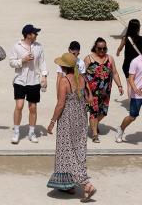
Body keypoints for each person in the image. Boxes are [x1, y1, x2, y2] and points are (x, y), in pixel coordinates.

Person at [47, 53, 96, 202]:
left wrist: (52, 122)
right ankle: (69, 185)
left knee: (67, 151)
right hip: (81, 117)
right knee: (78, 149)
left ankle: (86, 185)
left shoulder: (64, 80)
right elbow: (90, 99)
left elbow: (60, 104)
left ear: (63, 67)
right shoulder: (82, 78)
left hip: (67, 118)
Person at [9, 24, 48, 144]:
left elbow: (42, 62)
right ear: (28, 35)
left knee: (33, 107)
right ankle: (16, 132)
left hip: (34, 81)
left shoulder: (38, 47)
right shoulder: (17, 46)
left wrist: (44, 76)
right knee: (19, 106)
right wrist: (23, 61)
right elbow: (11, 62)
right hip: (19, 80)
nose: (36, 35)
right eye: (34, 33)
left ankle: (31, 132)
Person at [84, 37, 124, 143]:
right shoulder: (88, 59)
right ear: (95, 48)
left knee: (103, 112)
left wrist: (120, 86)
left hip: (106, 92)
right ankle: (94, 134)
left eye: (104, 48)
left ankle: (94, 124)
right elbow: (82, 75)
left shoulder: (109, 58)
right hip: (92, 92)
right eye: (99, 48)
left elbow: (114, 73)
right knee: (93, 112)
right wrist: (85, 91)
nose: (102, 51)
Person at [116, 49, 142, 143]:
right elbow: (130, 79)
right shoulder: (136, 62)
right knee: (132, 117)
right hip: (137, 95)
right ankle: (121, 129)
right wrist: (135, 89)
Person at [116, 19, 142, 84]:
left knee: (129, 83)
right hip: (138, 65)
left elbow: (120, 48)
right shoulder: (141, 39)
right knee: (138, 83)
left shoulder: (125, 38)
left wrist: (118, 52)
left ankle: (130, 94)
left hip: (127, 64)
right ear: (138, 28)